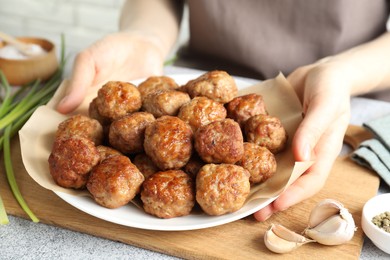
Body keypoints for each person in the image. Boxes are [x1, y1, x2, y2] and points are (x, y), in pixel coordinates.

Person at [56, 0, 390, 221]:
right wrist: (144, 37)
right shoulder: (166, 125)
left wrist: (340, 73)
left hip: (342, 88)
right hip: (195, 72)